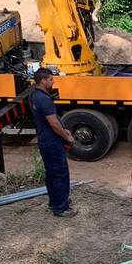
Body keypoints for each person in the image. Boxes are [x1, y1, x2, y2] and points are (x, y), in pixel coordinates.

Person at [30, 67, 78, 218]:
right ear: (43, 80)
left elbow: (53, 120)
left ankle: (54, 202)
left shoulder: (34, 96)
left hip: (44, 140)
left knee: (51, 173)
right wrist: (67, 136)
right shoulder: (45, 100)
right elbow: (53, 123)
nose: (53, 81)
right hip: (52, 142)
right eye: (51, 79)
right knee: (60, 174)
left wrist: (64, 129)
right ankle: (61, 208)